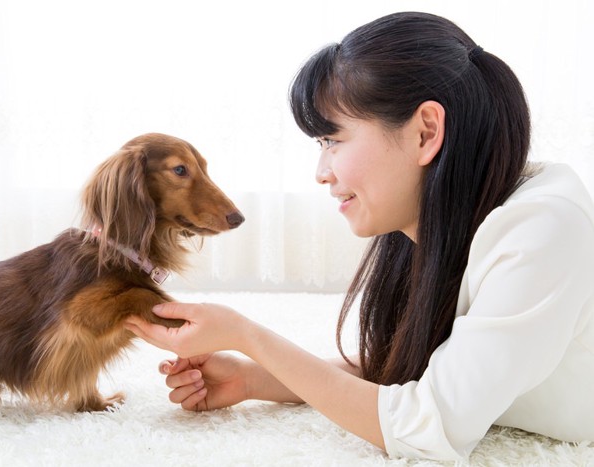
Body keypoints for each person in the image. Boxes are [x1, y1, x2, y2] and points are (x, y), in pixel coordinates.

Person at [124, 11, 594, 461]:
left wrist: (248, 336)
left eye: (333, 140)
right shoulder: (435, 222)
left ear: (426, 132)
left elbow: (428, 427)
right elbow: (418, 370)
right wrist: (256, 379)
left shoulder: (542, 229)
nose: (321, 173)